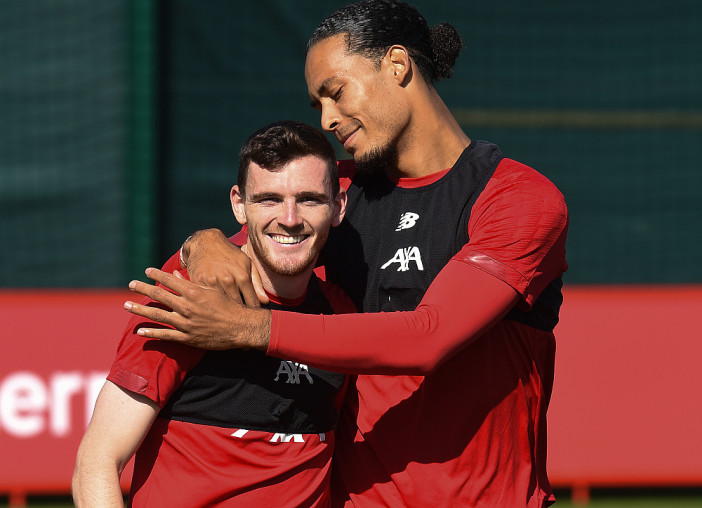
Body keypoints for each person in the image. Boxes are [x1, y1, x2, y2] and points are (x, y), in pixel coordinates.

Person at [124, 1, 569, 506]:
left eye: (335, 93)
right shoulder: (337, 194)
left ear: (396, 65)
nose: (328, 120)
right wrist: (202, 242)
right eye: (318, 105)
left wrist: (246, 328)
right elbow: (251, 238)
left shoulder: (516, 197)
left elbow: (429, 337)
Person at [72, 120, 354, 507]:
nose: (289, 218)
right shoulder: (188, 298)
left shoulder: (342, 314)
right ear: (239, 204)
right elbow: (97, 463)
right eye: (269, 200)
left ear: (338, 207)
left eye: (309, 200)